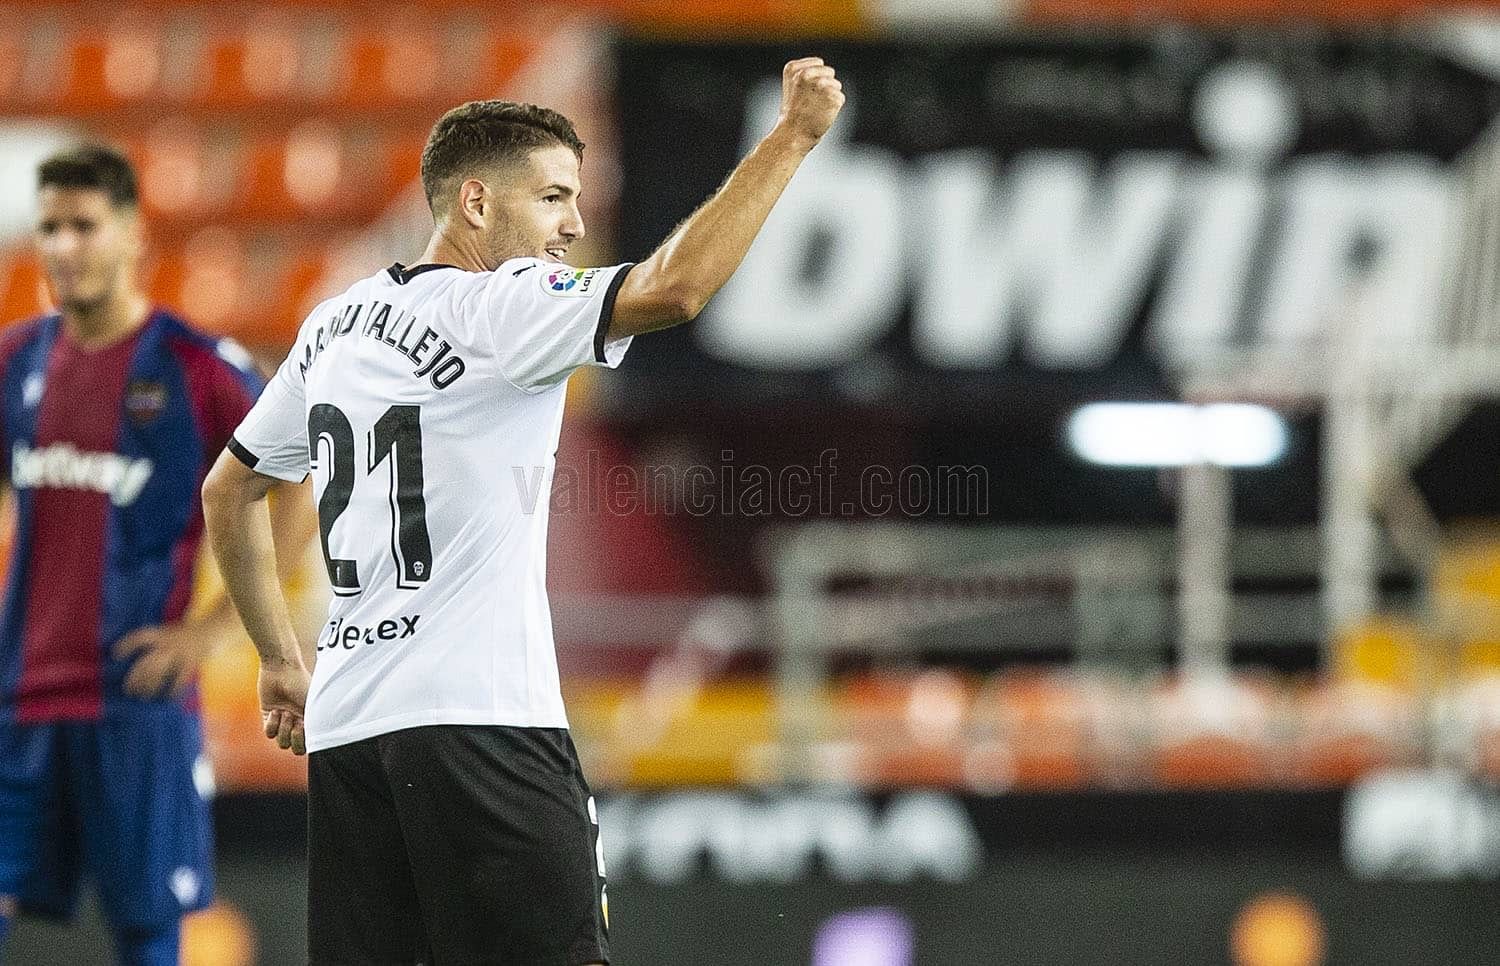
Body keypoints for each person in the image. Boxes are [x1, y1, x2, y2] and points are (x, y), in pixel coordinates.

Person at [202, 56, 844, 965]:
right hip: (483, 724)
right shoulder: (500, 305)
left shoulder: (332, 325)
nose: (574, 223)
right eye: (552, 197)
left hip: (350, 736)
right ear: (475, 203)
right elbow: (676, 288)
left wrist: (277, 659)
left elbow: (231, 487)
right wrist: (793, 137)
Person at [0, 145, 312, 965]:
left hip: (135, 704)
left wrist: (210, 633)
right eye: (51, 228)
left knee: (148, 936)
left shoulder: (196, 369)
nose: (64, 247)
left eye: (84, 225)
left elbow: (295, 491)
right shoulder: (17, 361)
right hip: (18, 701)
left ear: (133, 232)